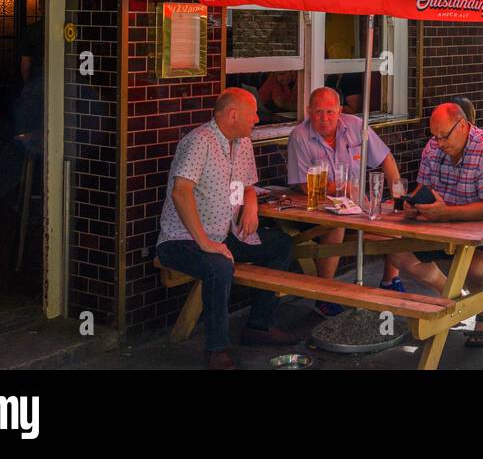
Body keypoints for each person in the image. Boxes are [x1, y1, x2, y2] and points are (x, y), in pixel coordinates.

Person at [156, 88, 298, 369]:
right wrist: (206, 243)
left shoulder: (242, 142)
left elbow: (247, 185)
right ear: (233, 115)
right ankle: (217, 348)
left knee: (282, 244)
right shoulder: (199, 141)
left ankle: (258, 325)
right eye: (253, 113)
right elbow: (180, 192)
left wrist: (251, 206)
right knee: (218, 266)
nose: (257, 119)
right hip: (182, 239)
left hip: (225, 232)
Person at [389, 103, 483, 349]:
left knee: (475, 267)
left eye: (443, 136)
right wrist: (414, 204)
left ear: (462, 126)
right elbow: (424, 190)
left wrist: (443, 214)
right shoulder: (433, 147)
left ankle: (482, 313)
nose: (438, 143)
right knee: (396, 251)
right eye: (434, 136)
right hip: (445, 228)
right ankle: (457, 299)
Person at [287, 87, 405, 314]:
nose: (324, 119)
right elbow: (303, 184)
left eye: (330, 112)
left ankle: (390, 280)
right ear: (308, 111)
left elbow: (386, 158)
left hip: (359, 206)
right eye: (318, 112)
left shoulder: (355, 126)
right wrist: (344, 189)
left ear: (340, 110)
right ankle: (325, 294)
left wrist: (398, 196)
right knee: (336, 224)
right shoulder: (299, 136)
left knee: (395, 222)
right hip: (317, 208)